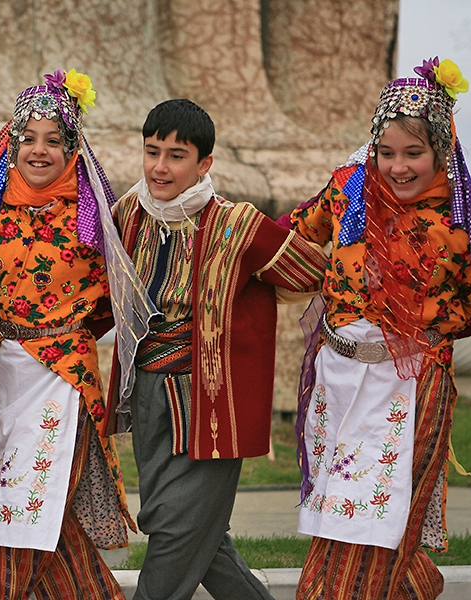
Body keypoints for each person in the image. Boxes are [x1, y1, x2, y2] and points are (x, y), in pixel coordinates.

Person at [105, 98, 328, 600]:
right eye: (152, 151)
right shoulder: (126, 215)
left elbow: (311, 272)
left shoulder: (238, 225)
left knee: (174, 530)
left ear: (204, 163)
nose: (160, 166)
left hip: (211, 399)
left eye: (177, 155)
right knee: (186, 527)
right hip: (147, 391)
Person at [284, 58, 471, 599]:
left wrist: (416, 328)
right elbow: (295, 234)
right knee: (337, 507)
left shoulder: (459, 218)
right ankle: (415, 586)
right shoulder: (349, 190)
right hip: (337, 376)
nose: (397, 167)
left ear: (442, 151)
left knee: (379, 515)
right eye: (386, 152)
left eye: (413, 153)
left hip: (412, 384)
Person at [0, 69, 155, 600]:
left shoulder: (93, 217)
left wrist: (69, 332)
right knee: (28, 502)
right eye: (28, 139)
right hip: (10, 369)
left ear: (73, 149)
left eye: (54, 140)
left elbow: (120, 295)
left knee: (27, 500)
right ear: (12, 144)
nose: (39, 151)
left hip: (64, 373)